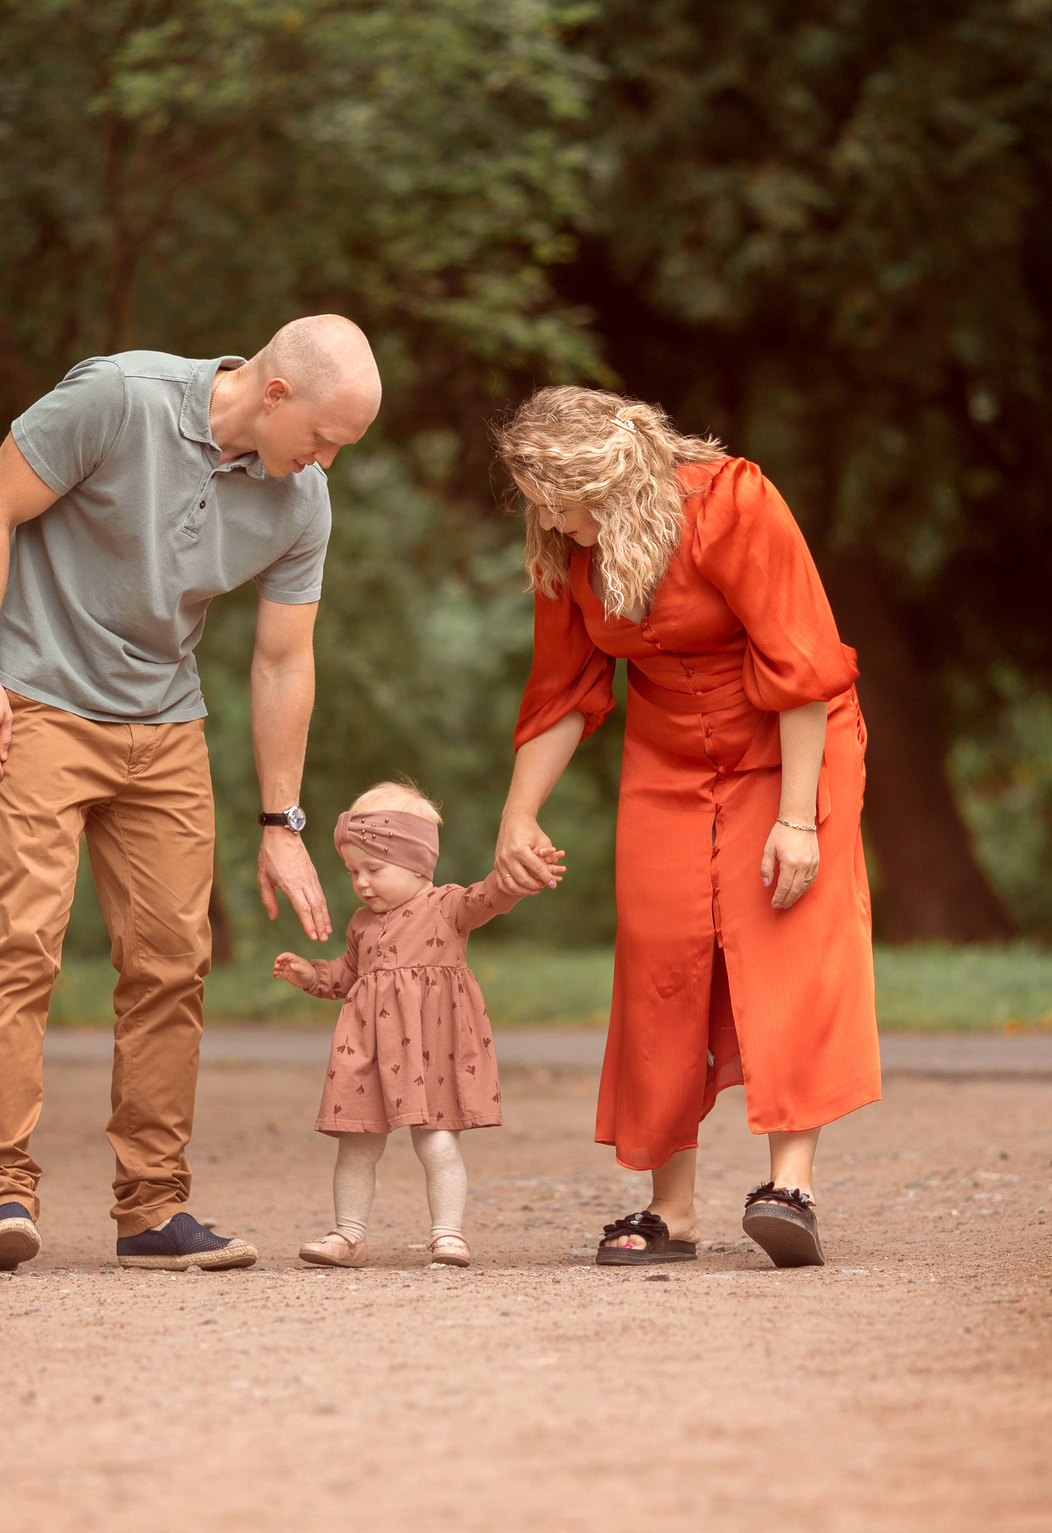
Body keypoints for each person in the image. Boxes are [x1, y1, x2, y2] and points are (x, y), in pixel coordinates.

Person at [0, 315, 382, 1274]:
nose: (327, 462)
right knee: (21, 940)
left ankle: (152, 1209)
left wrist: (282, 822)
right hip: (41, 700)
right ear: (274, 394)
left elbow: (282, 660)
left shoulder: (300, 499)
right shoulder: (120, 399)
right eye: (323, 436)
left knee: (172, 962)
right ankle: (2, 1192)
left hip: (167, 724)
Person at [489, 386, 881, 1269]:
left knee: (784, 935)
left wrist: (797, 820)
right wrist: (519, 814)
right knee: (661, 951)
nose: (546, 519)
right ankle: (672, 1211)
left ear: (606, 478)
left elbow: (803, 663)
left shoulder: (731, 503)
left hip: (791, 743)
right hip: (668, 757)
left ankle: (791, 1188)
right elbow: (564, 687)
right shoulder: (571, 550)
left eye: (557, 498)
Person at [271, 781, 560, 1269]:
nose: (361, 883)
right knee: (356, 1144)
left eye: (374, 869)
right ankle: (349, 1234)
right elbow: (349, 975)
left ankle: (448, 1234)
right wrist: (311, 975)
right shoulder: (362, 923)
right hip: (368, 1051)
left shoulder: (447, 906)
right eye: (352, 872)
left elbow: (488, 897)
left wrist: (515, 879)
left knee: (438, 1142)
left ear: (417, 862)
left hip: (433, 1051)